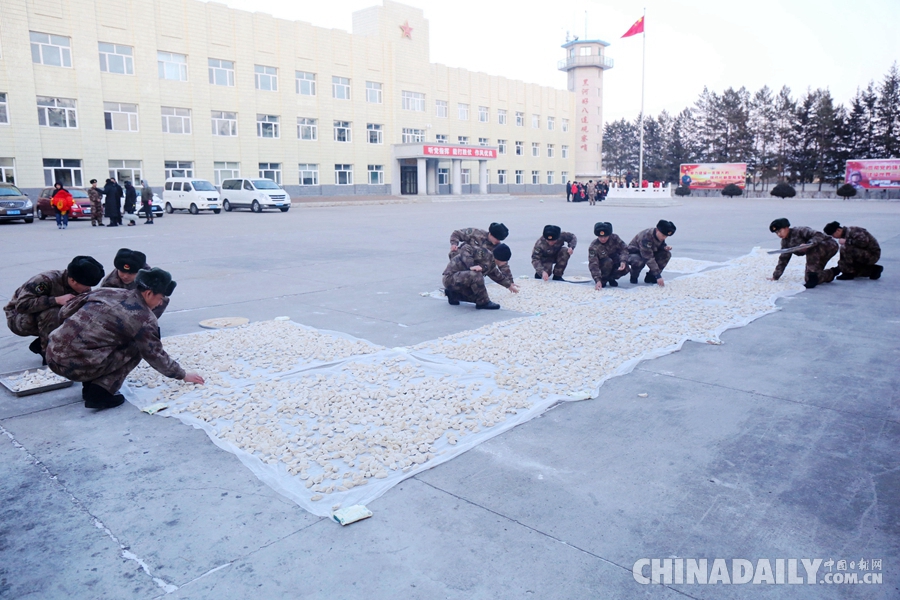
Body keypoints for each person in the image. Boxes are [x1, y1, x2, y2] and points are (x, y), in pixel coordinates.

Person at [46, 268, 205, 410]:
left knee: (103, 342)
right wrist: (182, 375)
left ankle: (89, 383)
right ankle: (99, 393)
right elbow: (155, 355)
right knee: (136, 347)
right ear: (149, 293)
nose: (160, 303)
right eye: (160, 298)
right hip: (75, 366)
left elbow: (65, 311)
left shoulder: (108, 292)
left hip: (52, 354)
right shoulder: (143, 318)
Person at [4, 256, 105, 362]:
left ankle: (44, 344)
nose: (88, 289)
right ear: (73, 280)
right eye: (86, 286)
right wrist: (56, 300)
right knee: (53, 313)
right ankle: (50, 357)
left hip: (44, 318)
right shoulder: (45, 280)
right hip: (19, 318)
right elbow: (22, 305)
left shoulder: (81, 287)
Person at [443, 243, 519, 310]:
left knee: (477, 296)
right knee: (476, 274)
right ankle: (483, 303)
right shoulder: (484, 253)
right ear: (500, 258)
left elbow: (496, 275)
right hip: (450, 278)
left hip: (460, 281)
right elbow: (465, 247)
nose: (505, 263)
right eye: (504, 261)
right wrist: (471, 266)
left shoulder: (491, 264)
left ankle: (453, 294)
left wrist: (509, 285)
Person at [768, 218, 838, 289]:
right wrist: (775, 276)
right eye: (776, 233)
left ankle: (812, 275)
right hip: (817, 255)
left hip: (829, 246)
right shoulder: (785, 242)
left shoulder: (800, 230)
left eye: (780, 231)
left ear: (786, 228)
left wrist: (809, 244)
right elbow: (783, 259)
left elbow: (819, 234)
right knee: (809, 278)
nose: (779, 234)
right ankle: (834, 271)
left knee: (811, 249)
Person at [101, 248, 170, 318]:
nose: (125, 276)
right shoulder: (109, 282)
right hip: (119, 309)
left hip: (141, 304)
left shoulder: (150, 279)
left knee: (160, 299)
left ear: (139, 272)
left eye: (131, 273)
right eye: (122, 272)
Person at [627, 220, 676, 286]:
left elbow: (660, 244)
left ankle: (651, 277)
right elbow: (648, 257)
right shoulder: (646, 237)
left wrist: (664, 247)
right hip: (635, 253)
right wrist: (658, 275)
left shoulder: (659, 235)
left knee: (666, 254)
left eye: (666, 236)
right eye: (663, 235)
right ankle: (634, 276)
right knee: (639, 261)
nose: (664, 238)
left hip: (650, 251)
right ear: (657, 230)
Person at [588, 222, 629, 289]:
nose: (603, 239)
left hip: (615, 262)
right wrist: (597, 280)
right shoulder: (593, 247)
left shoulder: (615, 238)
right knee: (608, 262)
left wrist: (623, 261)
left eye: (605, 236)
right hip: (603, 267)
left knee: (626, 268)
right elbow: (593, 264)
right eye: (600, 237)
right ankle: (603, 280)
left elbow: (624, 249)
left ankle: (611, 278)